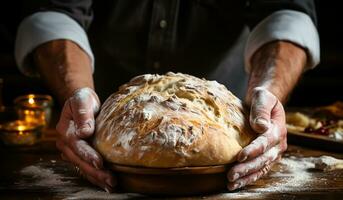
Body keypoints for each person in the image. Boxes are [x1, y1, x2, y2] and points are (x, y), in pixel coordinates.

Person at [15, 0, 319, 193]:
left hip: (228, 117)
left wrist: (268, 91)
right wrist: (77, 94)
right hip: (107, 118)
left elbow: (285, 10)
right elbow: (53, 10)